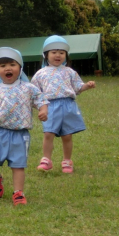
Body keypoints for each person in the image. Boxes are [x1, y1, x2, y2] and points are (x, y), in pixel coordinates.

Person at [0, 47, 48, 206]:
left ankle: (18, 193)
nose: (7, 68)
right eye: (2, 66)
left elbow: (41, 100)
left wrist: (43, 111)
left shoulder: (28, 88)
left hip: (19, 134)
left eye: (12, 64)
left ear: (20, 68)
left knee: (18, 165)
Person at [31, 36, 96, 173]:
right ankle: (46, 160)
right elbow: (34, 92)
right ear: (46, 55)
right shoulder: (40, 74)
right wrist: (38, 106)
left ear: (66, 55)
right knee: (48, 133)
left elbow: (78, 88)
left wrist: (86, 86)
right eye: (53, 52)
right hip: (50, 106)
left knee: (67, 135)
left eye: (61, 52)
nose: (58, 55)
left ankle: (67, 161)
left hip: (68, 105)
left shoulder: (70, 72)